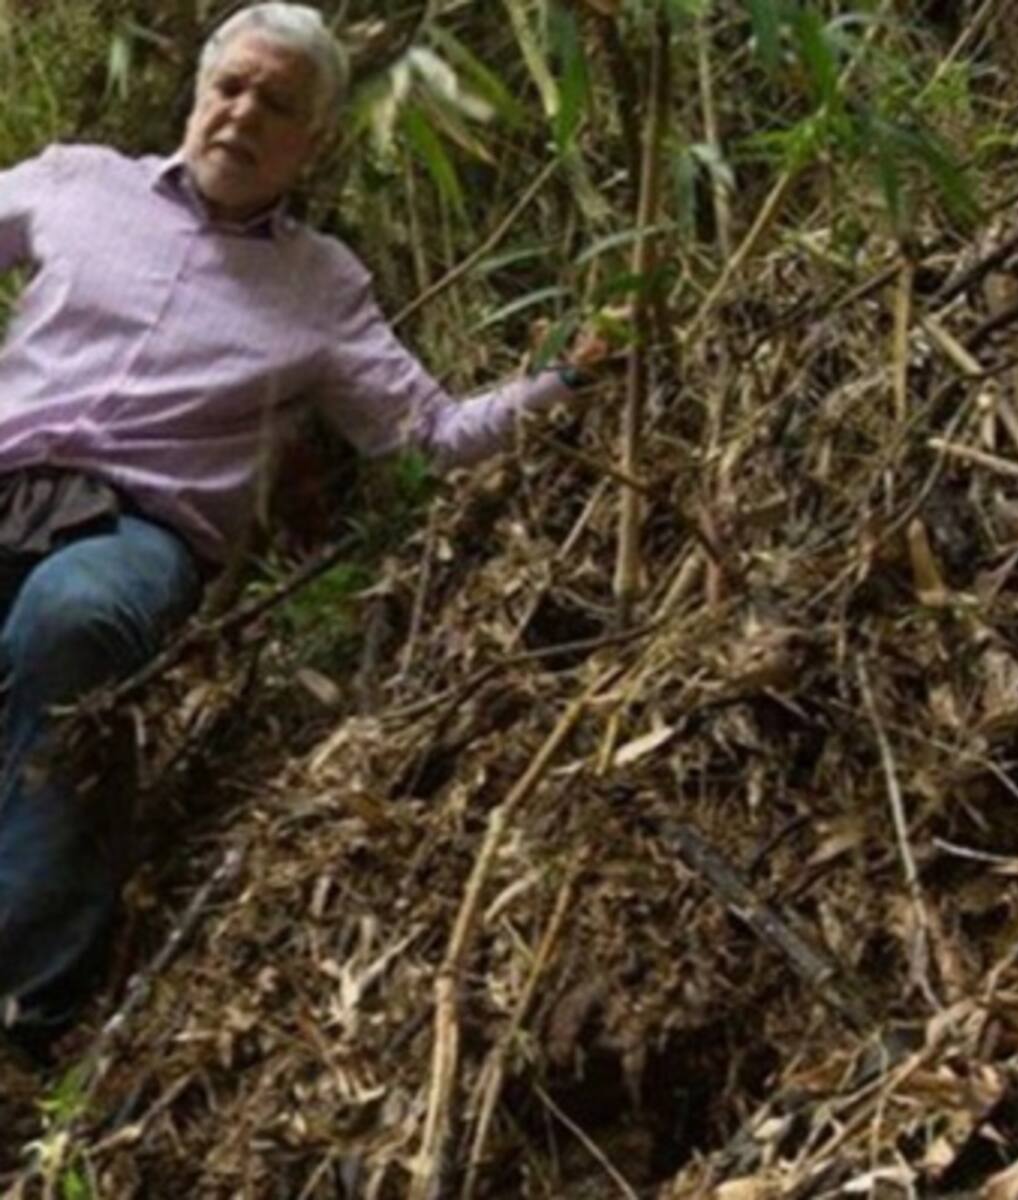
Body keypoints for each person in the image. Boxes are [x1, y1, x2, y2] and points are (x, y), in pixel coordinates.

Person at [0, 2, 602, 1060]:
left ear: (313, 141)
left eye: (276, 104)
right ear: (199, 92)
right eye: (230, 86)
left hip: (139, 528)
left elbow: (430, 437)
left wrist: (566, 380)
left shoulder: (323, 287)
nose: (242, 113)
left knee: (76, 620)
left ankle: (18, 1011)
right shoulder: (77, 182)